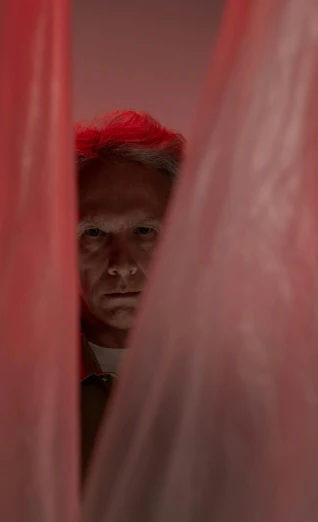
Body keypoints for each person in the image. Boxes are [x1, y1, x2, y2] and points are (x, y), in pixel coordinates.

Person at [76, 110, 185, 481]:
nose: (121, 264)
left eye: (143, 230)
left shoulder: (240, 378)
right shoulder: (19, 387)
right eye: (93, 233)